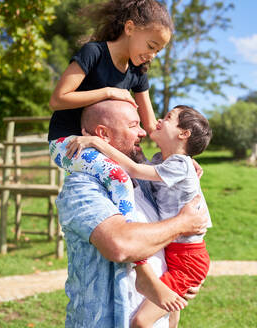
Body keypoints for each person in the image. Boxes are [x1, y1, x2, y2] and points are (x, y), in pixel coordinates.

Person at [56, 99, 208, 328]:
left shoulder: (144, 182)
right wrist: (182, 223)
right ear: (102, 135)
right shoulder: (83, 187)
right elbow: (120, 245)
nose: (143, 133)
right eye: (132, 125)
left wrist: (183, 280)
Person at [49, 0, 173, 219]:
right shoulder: (93, 53)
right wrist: (109, 91)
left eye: (158, 51)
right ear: (130, 28)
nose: (152, 55)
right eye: (151, 46)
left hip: (104, 147)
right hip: (67, 144)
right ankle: (129, 232)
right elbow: (58, 99)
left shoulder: (138, 73)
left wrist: (181, 156)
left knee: (148, 181)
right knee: (119, 177)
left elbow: (152, 127)